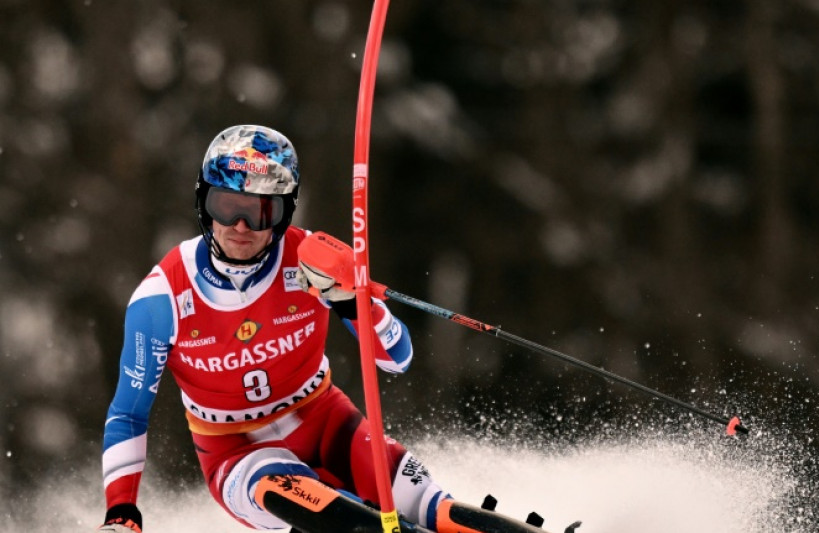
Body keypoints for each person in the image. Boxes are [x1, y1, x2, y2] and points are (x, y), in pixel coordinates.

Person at [97, 125, 540, 533]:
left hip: (328, 422)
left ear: (285, 212)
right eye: (226, 205)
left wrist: (354, 302)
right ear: (203, 203)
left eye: (260, 211)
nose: (240, 227)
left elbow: (398, 358)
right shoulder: (162, 299)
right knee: (340, 517)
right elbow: (129, 413)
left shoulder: (311, 261)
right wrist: (121, 510)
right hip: (237, 453)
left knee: (429, 506)